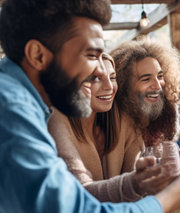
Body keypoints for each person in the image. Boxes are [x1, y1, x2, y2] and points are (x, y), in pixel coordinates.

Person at [0, 1, 180, 213]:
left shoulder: (22, 103)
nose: (98, 72)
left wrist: (140, 184)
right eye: (91, 55)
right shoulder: (10, 113)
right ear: (38, 55)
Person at [47, 53, 172, 203]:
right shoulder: (56, 119)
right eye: (96, 78)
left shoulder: (123, 118)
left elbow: (139, 179)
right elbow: (81, 193)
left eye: (112, 78)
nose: (109, 87)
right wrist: (136, 184)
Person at [111, 39, 180, 156]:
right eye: (146, 79)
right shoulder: (116, 124)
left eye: (160, 76)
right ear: (124, 84)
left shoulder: (169, 116)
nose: (157, 86)